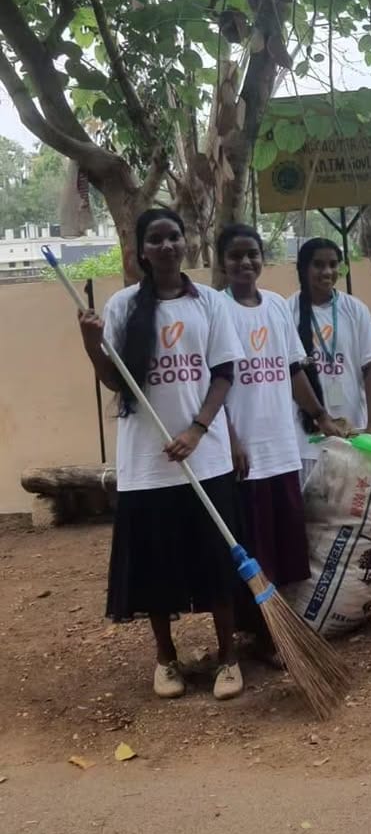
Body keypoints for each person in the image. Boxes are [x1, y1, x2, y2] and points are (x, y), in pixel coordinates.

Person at [76, 208, 246, 701]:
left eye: (174, 236)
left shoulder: (209, 302)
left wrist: (197, 430)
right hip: (147, 463)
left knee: (217, 562)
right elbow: (116, 381)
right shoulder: (124, 305)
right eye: (156, 239)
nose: (168, 245)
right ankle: (166, 659)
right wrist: (91, 345)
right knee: (155, 566)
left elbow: (223, 374)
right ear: (141, 252)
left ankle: (228, 657)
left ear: (185, 242)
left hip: (205, 459)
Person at [217, 224, 344, 660]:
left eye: (252, 253)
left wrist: (321, 416)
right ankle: (264, 632)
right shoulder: (217, 309)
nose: (245, 262)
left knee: (287, 544)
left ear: (262, 258)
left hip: (282, 448)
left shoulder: (275, 306)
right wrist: (230, 439)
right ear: (222, 262)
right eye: (235, 255)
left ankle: (284, 625)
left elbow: (293, 371)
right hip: (244, 454)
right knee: (256, 548)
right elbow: (213, 383)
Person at [289, 238, 371, 483]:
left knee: (350, 502)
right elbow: (289, 373)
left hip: (351, 431)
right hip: (305, 436)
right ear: (303, 268)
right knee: (311, 503)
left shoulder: (355, 309)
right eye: (318, 265)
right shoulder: (287, 309)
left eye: (333, 265)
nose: (327, 272)